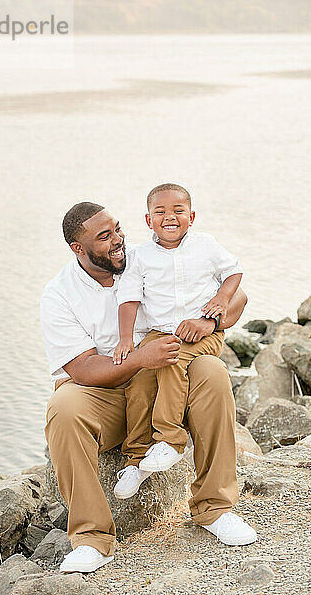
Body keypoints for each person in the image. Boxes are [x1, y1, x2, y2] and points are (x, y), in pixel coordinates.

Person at [40, 201, 257, 574]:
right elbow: (82, 367)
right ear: (79, 248)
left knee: (213, 371)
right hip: (107, 392)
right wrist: (142, 358)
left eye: (118, 229)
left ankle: (214, 508)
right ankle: (92, 539)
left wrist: (210, 322)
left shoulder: (149, 256)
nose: (118, 240)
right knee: (64, 406)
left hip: (168, 382)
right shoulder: (59, 294)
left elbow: (238, 297)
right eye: (104, 237)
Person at [112, 183, 242, 481]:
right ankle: (135, 460)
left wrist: (221, 300)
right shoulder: (140, 256)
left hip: (204, 334)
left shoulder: (206, 245)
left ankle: (170, 439)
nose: (169, 217)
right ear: (148, 220)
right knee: (140, 379)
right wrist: (124, 339)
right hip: (159, 332)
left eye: (178, 210)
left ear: (191, 216)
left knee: (172, 357)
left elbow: (234, 271)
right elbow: (129, 298)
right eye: (160, 212)